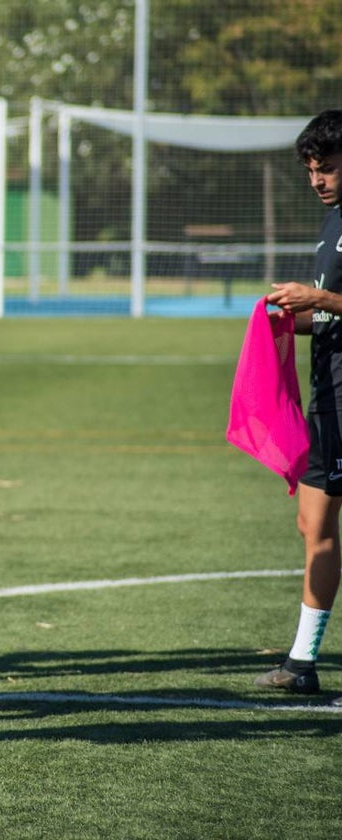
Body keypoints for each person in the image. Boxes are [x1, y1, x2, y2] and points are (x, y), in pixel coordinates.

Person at [261, 109, 342, 698]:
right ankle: (302, 662)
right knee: (312, 524)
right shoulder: (331, 224)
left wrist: (319, 296)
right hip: (330, 398)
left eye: (329, 168)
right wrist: (294, 319)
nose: (318, 180)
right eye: (312, 170)